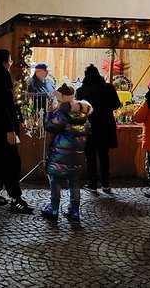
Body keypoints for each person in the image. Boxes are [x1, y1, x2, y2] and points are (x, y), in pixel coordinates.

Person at [0, 49, 33, 214]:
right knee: (11, 162)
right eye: (9, 60)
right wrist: (10, 129)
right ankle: (16, 198)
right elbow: (2, 107)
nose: (10, 63)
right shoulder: (0, 77)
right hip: (2, 127)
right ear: (4, 62)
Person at [41, 84, 92, 221]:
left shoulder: (62, 113)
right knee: (74, 182)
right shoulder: (83, 113)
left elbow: (50, 126)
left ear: (61, 99)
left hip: (60, 154)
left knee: (55, 181)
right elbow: (88, 129)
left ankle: (53, 209)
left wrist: (49, 114)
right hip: (78, 155)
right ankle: (74, 212)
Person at [75, 64, 121, 194]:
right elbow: (116, 104)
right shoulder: (108, 88)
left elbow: (80, 110)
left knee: (90, 156)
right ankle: (106, 184)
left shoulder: (81, 91)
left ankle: (92, 184)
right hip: (106, 125)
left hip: (90, 126)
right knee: (104, 155)